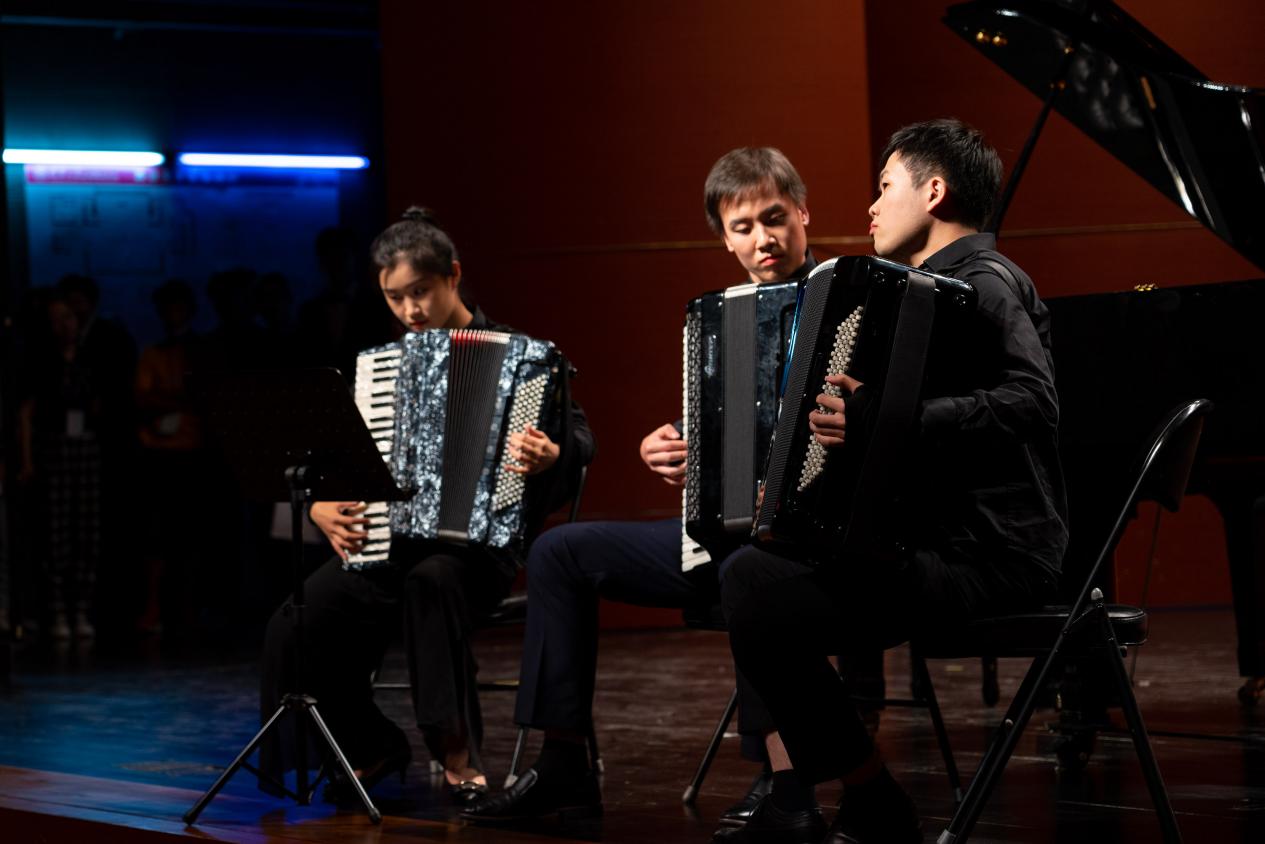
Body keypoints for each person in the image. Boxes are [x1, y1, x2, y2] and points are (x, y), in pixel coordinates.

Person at [715, 118, 1068, 843]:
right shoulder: (919, 293)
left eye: (884, 187)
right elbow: (901, 445)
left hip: (992, 557)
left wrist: (885, 417)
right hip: (937, 545)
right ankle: (863, 795)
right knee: (755, 569)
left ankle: (867, 796)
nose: (872, 206)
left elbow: (1033, 402)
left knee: (755, 588)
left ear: (933, 192)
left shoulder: (986, 282)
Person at [463, 147, 818, 825]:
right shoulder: (728, 315)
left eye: (774, 218)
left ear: (803, 213)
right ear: (724, 238)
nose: (762, 239)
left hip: (804, 543)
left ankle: (786, 784)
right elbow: (722, 422)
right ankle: (564, 769)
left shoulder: (838, 300)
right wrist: (671, 443)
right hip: (724, 535)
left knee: (751, 569)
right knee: (559, 553)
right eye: (742, 227)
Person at [259, 208, 594, 805]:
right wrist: (320, 507)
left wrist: (552, 453)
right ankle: (369, 745)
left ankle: (459, 757)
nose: (410, 310)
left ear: (453, 276)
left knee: (431, 582)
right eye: (395, 298)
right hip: (388, 546)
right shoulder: (382, 369)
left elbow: (580, 442)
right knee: (296, 621)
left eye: (421, 292)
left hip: (478, 554)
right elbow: (338, 459)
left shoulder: (522, 356)